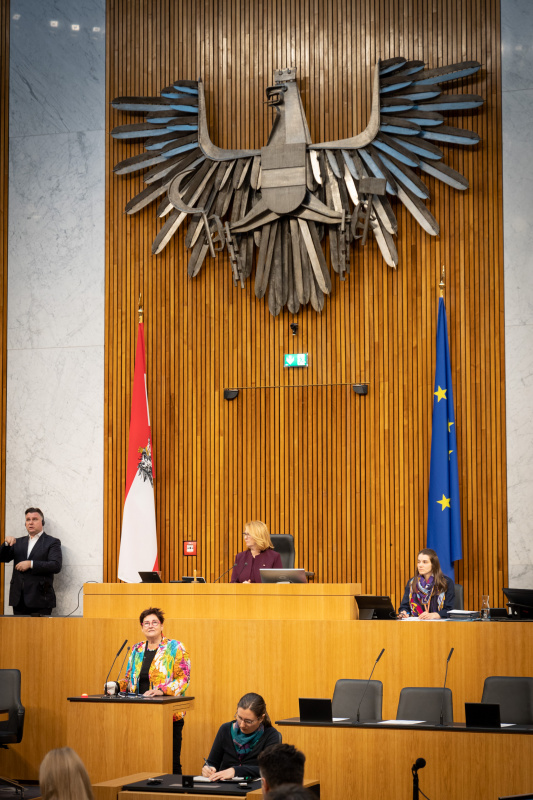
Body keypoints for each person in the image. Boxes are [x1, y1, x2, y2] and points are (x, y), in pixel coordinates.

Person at [111, 607, 190, 773]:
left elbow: (183, 678)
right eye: (146, 623)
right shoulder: (136, 649)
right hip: (140, 714)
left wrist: (162, 690)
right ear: (141, 627)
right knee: (144, 759)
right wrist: (116, 685)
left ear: (162, 626)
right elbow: (129, 679)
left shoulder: (175, 647)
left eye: (155, 622)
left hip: (168, 715)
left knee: (171, 761)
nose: (150, 626)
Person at [201, 693, 281, 781]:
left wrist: (235, 771)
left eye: (248, 721)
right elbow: (212, 762)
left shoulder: (271, 734)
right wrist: (207, 769)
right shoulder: (225, 729)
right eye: (239, 718)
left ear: (261, 718)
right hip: (224, 786)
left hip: (254, 789)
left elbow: (270, 769)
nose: (242, 725)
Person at [0, 507, 62, 615]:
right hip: (18, 600)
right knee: (20, 632)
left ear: (42, 522)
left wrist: (31, 564)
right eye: (28, 520)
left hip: (41, 599)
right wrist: (5, 544)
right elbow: (2, 558)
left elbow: (56, 565)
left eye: (35, 519)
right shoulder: (17, 542)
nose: (31, 522)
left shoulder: (52, 542)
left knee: (41, 632)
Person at [398, 548, 455, 619]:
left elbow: (450, 610)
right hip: (415, 624)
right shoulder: (412, 583)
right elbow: (404, 607)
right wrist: (404, 613)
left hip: (439, 625)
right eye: (419, 562)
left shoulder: (446, 582)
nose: (420, 565)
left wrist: (435, 615)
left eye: (425, 562)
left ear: (433, 564)